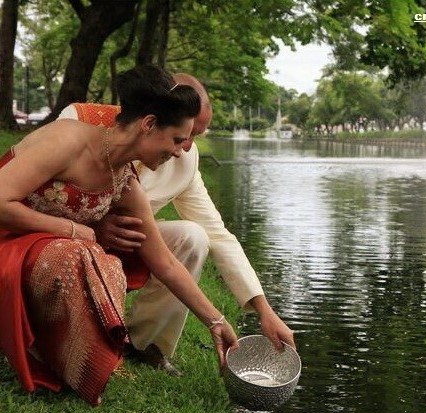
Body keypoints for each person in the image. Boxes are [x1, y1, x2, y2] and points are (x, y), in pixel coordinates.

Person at [0, 65, 239, 406]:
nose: (179, 151)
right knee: (79, 253)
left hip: (46, 258)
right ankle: (44, 353)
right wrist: (74, 230)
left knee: (104, 261)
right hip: (6, 246)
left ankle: (84, 362)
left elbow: (165, 263)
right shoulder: (66, 139)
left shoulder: (123, 177)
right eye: (176, 139)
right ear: (149, 124)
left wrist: (216, 321)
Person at [57, 74, 295, 376]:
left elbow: (218, 235)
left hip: (132, 247)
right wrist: (95, 227)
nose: (185, 147)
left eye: (196, 135)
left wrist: (264, 310)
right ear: (156, 116)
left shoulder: (185, 159)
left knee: (194, 236)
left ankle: (146, 345)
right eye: (183, 134)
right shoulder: (81, 121)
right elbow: (45, 194)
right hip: (63, 235)